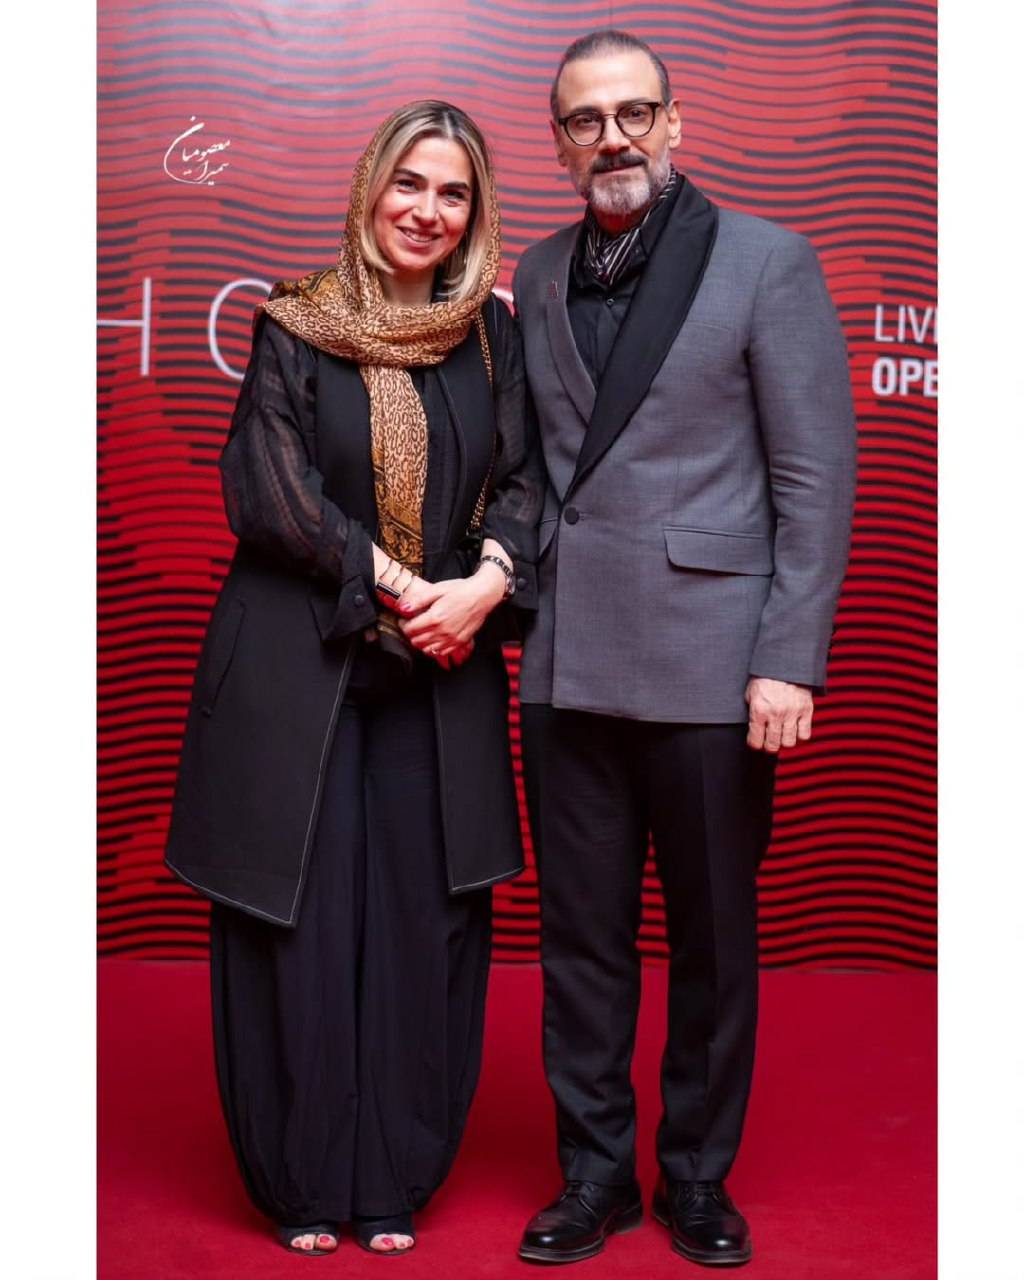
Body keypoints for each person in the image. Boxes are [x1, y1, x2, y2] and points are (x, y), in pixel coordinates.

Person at [164, 100, 542, 1258]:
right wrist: (405, 585)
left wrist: (482, 585)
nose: (427, 211)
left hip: (442, 667)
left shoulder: (492, 336)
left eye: (453, 192)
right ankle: (302, 1177)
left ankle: (391, 1177)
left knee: (424, 920)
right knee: (303, 923)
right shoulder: (295, 321)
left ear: (475, 211)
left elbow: (525, 481)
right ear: (371, 185)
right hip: (306, 669)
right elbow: (269, 489)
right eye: (409, 183)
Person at [512, 31, 857, 1267]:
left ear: (673, 122)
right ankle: (594, 1176)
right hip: (567, 657)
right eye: (585, 119)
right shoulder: (536, 270)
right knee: (579, 941)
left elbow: (814, 477)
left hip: (714, 663)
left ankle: (697, 1177)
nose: (611, 136)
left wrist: (788, 657)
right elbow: (534, 467)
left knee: (710, 939)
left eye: (632, 112)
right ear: (560, 142)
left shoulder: (767, 260)